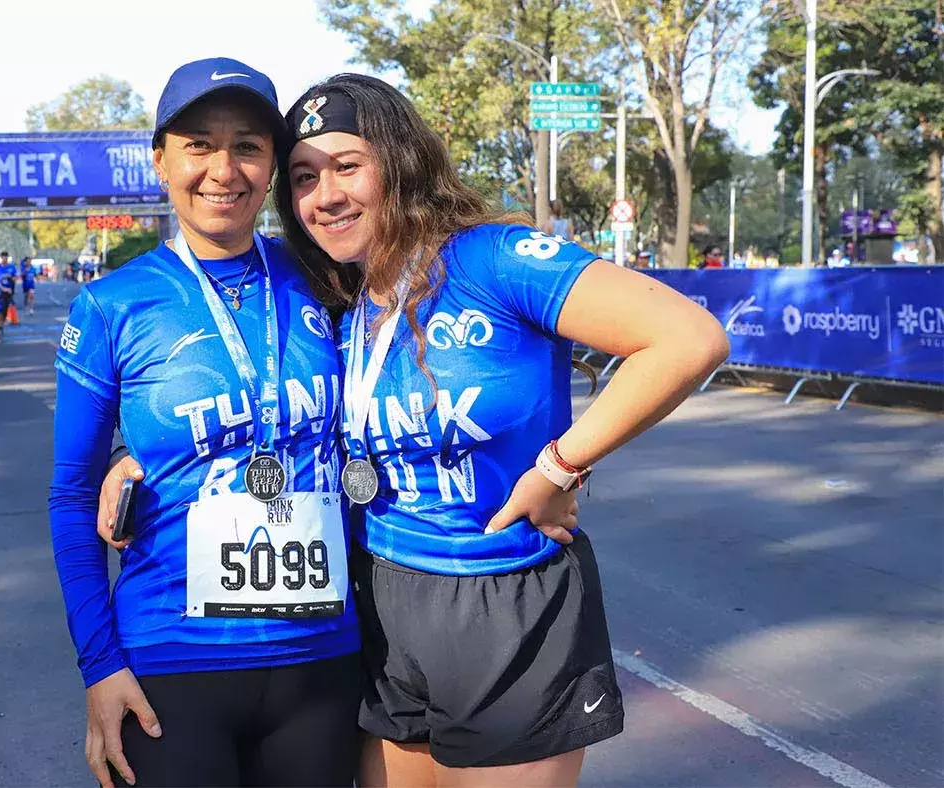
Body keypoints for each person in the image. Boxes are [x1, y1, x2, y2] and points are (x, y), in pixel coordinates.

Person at [268, 73, 729, 787]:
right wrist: (129, 456)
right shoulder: (349, 297)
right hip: (383, 597)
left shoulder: (492, 259)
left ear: (399, 161)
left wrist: (559, 469)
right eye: (303, 177)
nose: (324, 194)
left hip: (505, 600)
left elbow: (687, 338)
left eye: (347, 166)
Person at [48, 57, 366, 788]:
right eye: (199, 143)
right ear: (161, 159)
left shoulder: (327, 275)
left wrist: (558, 464)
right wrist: (100, 666)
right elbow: (70, 499)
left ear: (274, 166)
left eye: (248, 145)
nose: (224, 168)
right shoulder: (111, 306)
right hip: (170, 665)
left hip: (322, 661)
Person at [0, 253, 19, 327]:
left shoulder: (11, 267)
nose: (4, 260)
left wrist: (11, 277)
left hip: (10, 289)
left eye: (6, 258)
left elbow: (16, 278)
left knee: (6, 307)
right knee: (1, 306)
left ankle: (3, 320)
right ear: (1, 258)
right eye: (3, 258)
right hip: (0, 290)